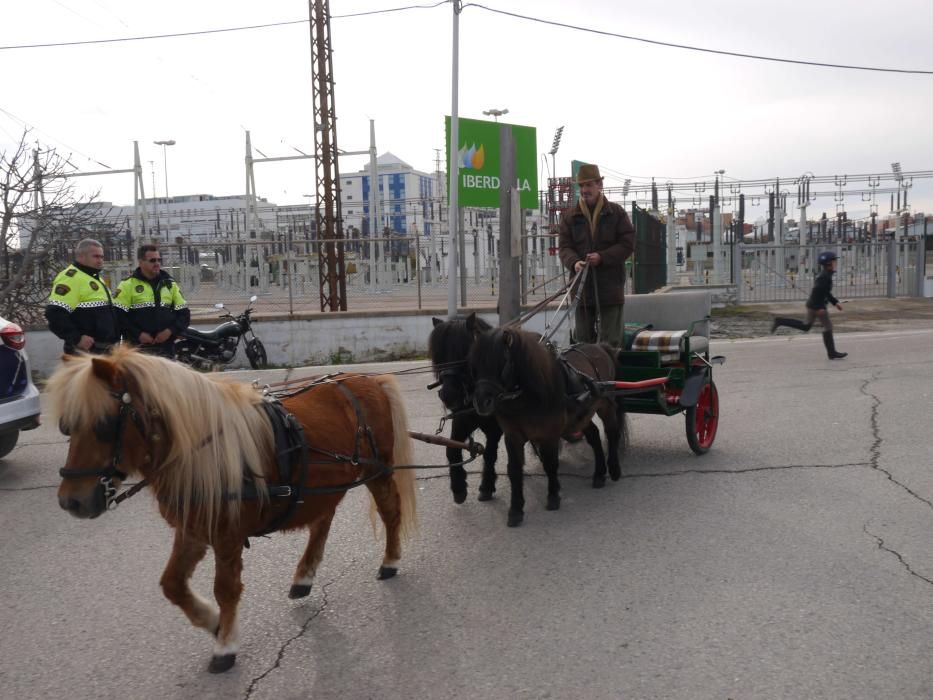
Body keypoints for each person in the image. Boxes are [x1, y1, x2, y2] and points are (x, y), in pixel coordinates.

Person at [558, 163, 635, 346]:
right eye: (582, 186)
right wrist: (575, 263)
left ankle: (611, 374)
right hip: (582, 291)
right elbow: (564, 248)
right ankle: (585, 375)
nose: (584, 190)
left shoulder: (616, 213)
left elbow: (628, 244)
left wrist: (602, 257)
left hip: (610, 289)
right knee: (582, 342)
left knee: (611, 342)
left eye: (589, 185)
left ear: (599, 185)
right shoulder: (570, 217)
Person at [46, 238, 120, 354]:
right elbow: (55, 313)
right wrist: (76, 338)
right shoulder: (71, 278)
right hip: (86, 352)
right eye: (96, 256)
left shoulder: (95, 277)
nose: (100, 260)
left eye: (102, 257)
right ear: (81, 256)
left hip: (104, 350)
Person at [114, 245, 190, 357]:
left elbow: (184, 314)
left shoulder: (169, 284)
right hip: (137, 349)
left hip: (165, 348)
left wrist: (169, 331)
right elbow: (118, 316)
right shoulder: (127, 285)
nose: (157, 263)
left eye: (159, 260)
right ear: (141, 262)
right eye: (152, 260)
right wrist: (138, 334)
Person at [771, 250, 847, 359]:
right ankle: (832, 353)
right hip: (817, 306)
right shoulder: (824, 277)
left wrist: (835, 303)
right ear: (828, 263)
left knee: (806, 326)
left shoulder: (826, 275)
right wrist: (819, 307)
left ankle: (779, 321)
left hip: (813, 305)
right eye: (834, 261)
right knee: (828, 327)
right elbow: (817, 291)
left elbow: (825, 292)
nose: (836, 263)